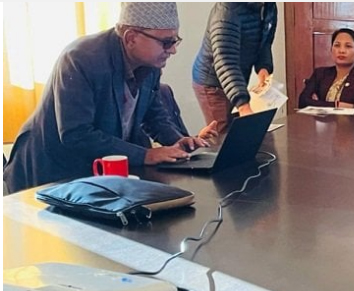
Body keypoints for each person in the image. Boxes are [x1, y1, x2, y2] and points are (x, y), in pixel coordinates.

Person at [3, 2, 208, 194]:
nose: (172, 50)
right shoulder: (80, 58)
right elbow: (76, 134)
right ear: (130, 38)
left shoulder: (150, 64)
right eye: (166, 42)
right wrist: (146, 155)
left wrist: (178, 141)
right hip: (47, 173)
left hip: (91, 173)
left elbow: (154, 117)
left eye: (175, 41)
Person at [192, 2, 277, 134]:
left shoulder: (269, 6)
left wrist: (263, 67)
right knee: (223, 135)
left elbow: (265, 40)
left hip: (237, 78)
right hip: (214, 83)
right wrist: (243, 105)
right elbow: (226, 62)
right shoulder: (226, 11)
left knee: (243, 132)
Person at [297, 28, 354, 110]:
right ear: (331, 50)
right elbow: (303, 102)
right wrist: (338, 105)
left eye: (348, 46)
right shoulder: (320, 74)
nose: (341, 51)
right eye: (337, 45)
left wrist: (317, 103)